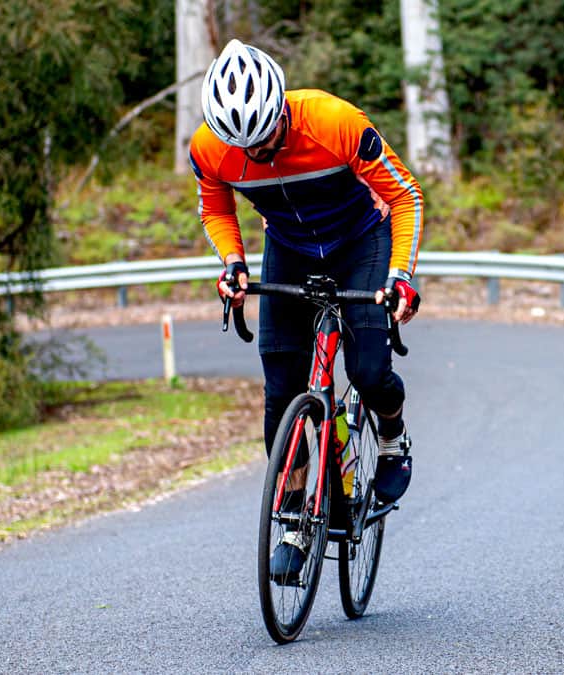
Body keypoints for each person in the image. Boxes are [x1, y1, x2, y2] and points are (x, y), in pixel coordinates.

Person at [191, 39, 423, 580]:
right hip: (290, 249)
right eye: (246, 147)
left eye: (268, 137)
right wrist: (232, 261)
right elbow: (215, 205)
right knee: (280, 395)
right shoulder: (210, 147)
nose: (261, 153)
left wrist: (401, 278)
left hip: (361, 241)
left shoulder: (334, 120)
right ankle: (294, 515)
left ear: (282, 109)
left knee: (368, 371)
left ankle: (391, 437)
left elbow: (406, 195)